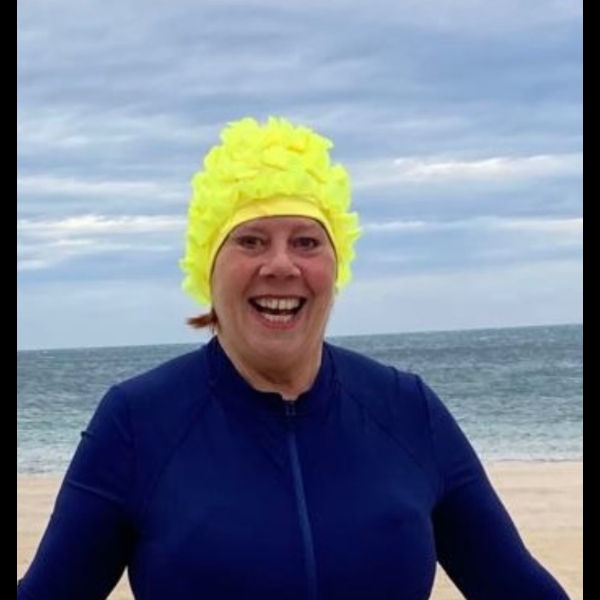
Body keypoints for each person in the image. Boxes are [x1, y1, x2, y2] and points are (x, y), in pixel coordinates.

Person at [17, 116, 572, 600]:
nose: (281, 265)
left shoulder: (407, 410)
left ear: (336, 265)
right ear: (208, 269)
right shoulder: (138, 422)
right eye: (251, 241)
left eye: (306, 242)